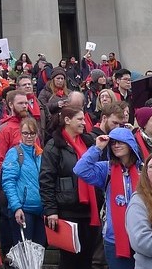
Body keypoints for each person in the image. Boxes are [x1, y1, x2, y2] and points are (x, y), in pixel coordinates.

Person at [40, 106, 101, 269]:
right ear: (67, 121)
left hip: (89, 211)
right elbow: (46, 180)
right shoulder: (54, 146)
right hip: (67, 211)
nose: (84, 123)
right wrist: (51, 210)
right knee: (70, 261)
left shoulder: (88, 143)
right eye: (80, 119)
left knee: (86, 259)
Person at [74, 126, 143, 269]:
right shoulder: (106, 169)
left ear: (130, 144)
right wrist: (97, 147)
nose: (116, 145)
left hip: (143, 235)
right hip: (114, 239)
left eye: (120, 142)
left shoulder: (144, 169)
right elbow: (80, 169)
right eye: (113, 143)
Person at [1, 117, 46, 248]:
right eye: (26, 133)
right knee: (24, 254)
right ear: (20, 134)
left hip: (40, 210)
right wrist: (16, 207)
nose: (29, 136)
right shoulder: (14, 153)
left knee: (38, 253)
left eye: (32, 133)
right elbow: (8, 182)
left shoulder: (40, 154)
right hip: (23, 210)